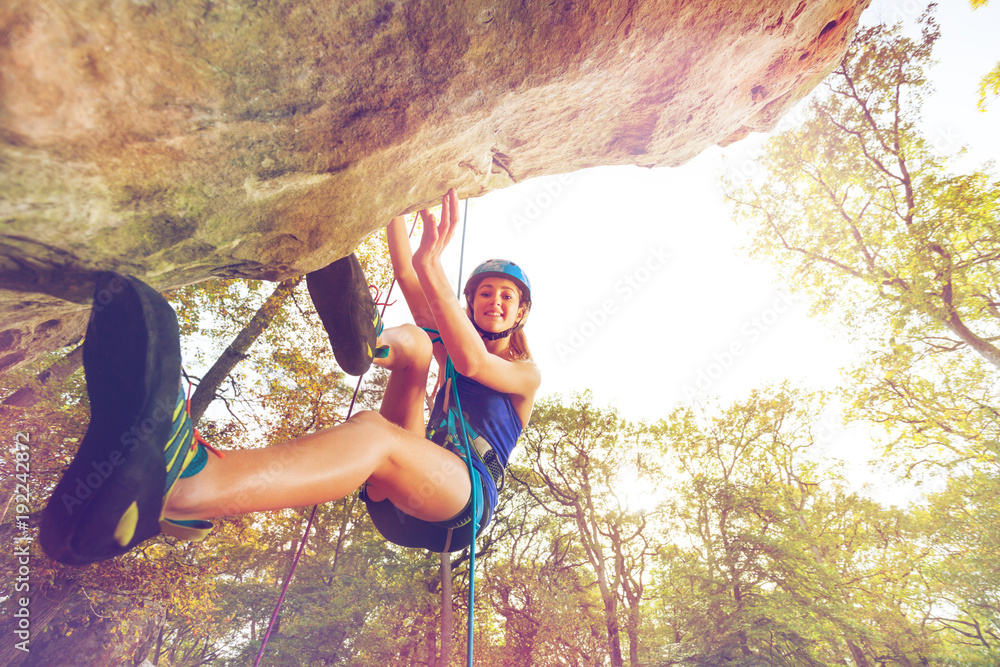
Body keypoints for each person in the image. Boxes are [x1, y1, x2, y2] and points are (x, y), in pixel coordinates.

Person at [40, 188, 540, 565]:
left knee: (373, 430)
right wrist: (397, 199)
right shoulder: (449, 340)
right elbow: (409, 275)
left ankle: (193, 487)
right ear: (471, 301)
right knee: (416, 348)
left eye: (506, 296)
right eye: (485, 292)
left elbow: (474, 364)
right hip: (404, 489)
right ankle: (369, 340)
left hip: (461, 501)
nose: (494, 300)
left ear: (520, 314)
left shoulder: (525, 375)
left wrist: (433, 264)